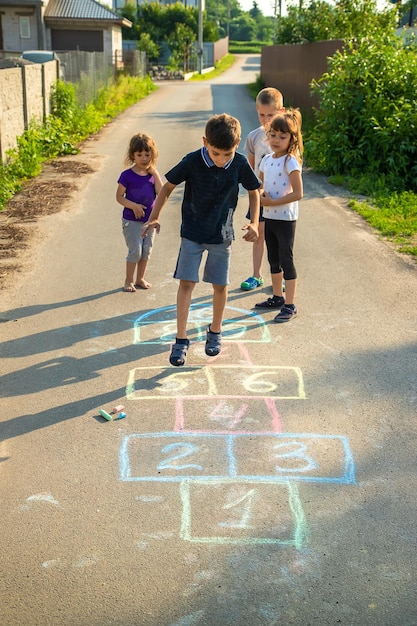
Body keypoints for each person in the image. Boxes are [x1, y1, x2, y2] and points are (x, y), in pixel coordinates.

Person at [143, 113, 261, 366]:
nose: (221, 160)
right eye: (216, 153)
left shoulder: (239, 164)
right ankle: (181, 339)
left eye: (227, 154)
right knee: (187, 282)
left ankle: (215, 332)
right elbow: (167, 186)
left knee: (220, 285)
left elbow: (254, 191)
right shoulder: (193, 160)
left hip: (222, 234)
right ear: (205, 142)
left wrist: (253, 221)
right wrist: (154, 216)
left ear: (237, 145)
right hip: (193, 232)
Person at [254, 109, 303, 322]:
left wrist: (273, 201)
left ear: (292, 139)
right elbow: (258, 186)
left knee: (286, 259)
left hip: (285, 218)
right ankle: (277, 297)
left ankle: (290, 304)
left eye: (282, 137)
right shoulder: (266, 159)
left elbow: (298, 193)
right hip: (269, 216)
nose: (276, 140)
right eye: (273, 135)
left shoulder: (290, 161)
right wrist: (261, 195)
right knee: (273, 258)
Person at [240, 87, 284, 292]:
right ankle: (256, 275)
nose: (266, 120)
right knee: (258, 234)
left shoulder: (286, 138)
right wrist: (256, 190)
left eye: (271, 115)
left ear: (281, 112)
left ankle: (281, 276)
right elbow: (251, 167)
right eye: (262, 114)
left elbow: (293, 165)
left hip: (280, 198)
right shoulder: (253, 137)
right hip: (259, 196)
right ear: (256, 110)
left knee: (279, 238)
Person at [116, 132, 163, 292]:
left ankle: (140, 278)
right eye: (139, 154)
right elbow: (119, 197)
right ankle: (128, 281)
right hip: (132, 221)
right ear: (132, 156)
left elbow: (161, 192)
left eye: (147, 154)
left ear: (152, 155)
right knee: (135, 251)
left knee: (146, 252)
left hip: (149, 221)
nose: (144, 158)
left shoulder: (152, 176)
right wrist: (133, 206)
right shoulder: (127, 175)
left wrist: (155, 174)